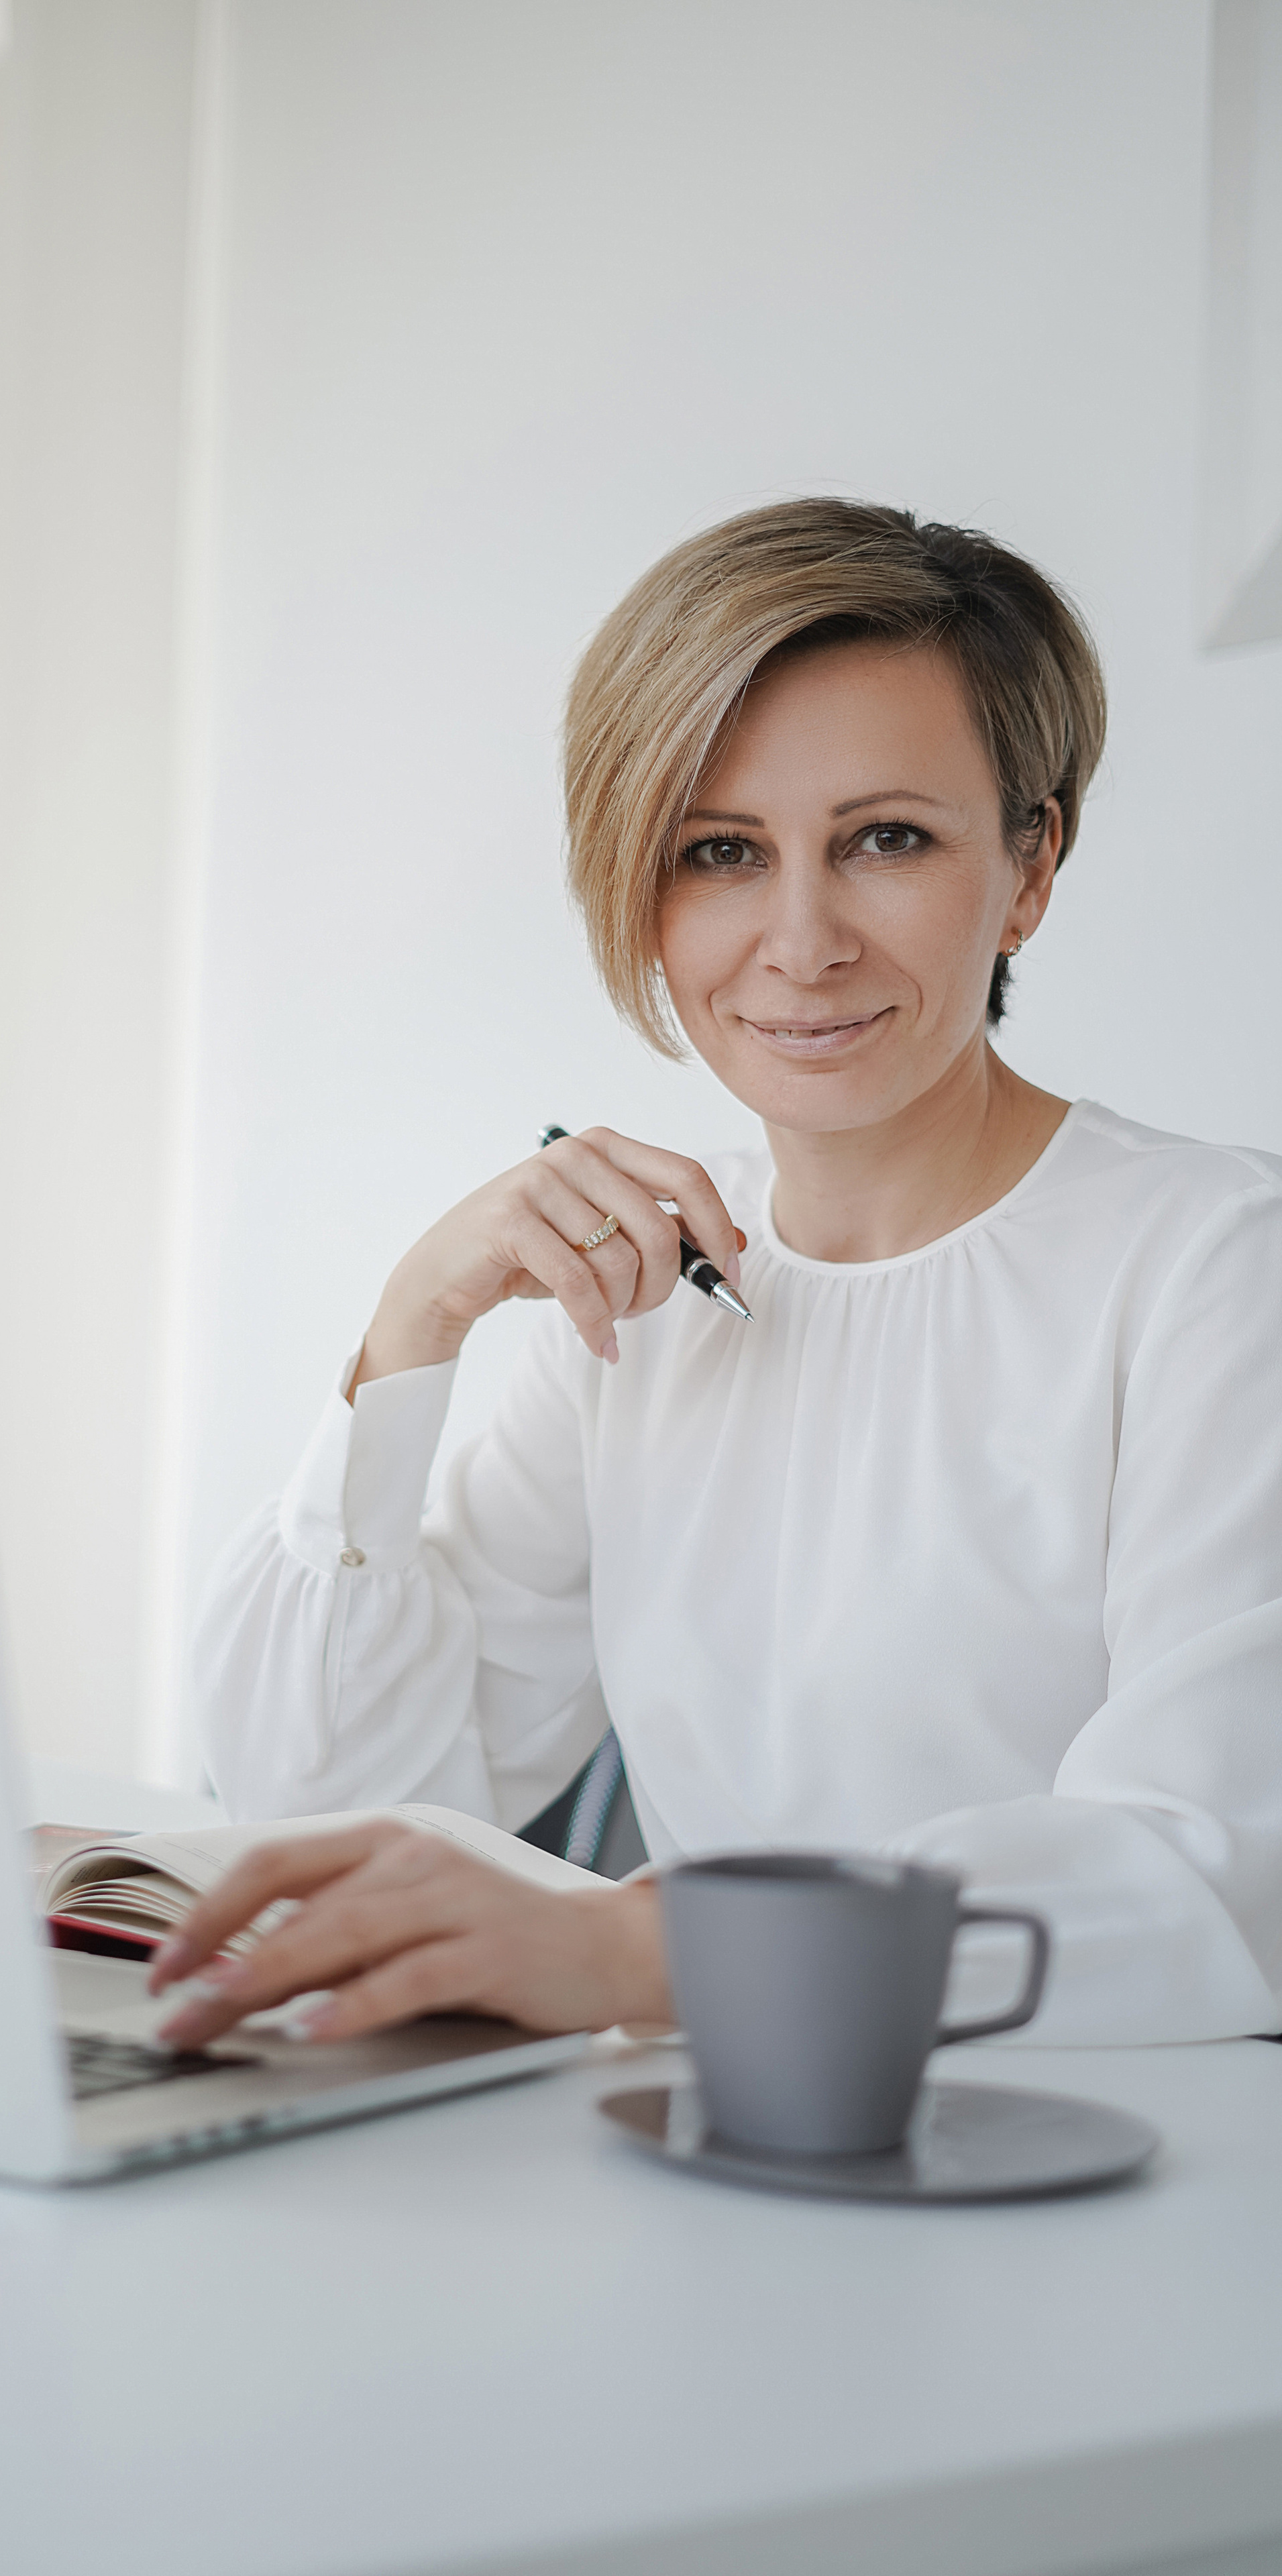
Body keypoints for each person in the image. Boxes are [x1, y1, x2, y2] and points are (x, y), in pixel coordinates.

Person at [151, 498, 1282, 2058]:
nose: (799, 941)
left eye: (885, 839)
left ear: (1028, 866)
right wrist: (410, 1330)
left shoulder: (1215, 1269)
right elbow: (339, 1800)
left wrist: (641, 1949)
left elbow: (1206, 1872)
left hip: (1116, 2181)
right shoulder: (649, 1288)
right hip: (714, 2159)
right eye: (719, 854)